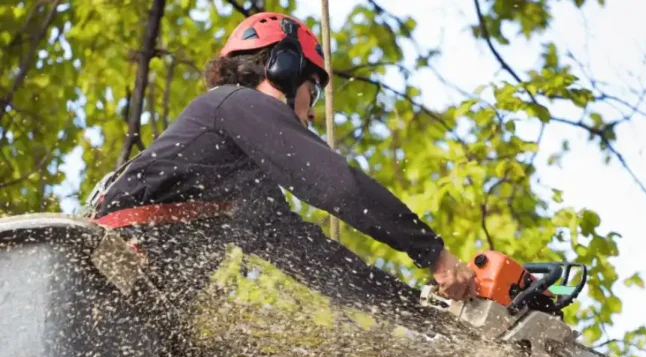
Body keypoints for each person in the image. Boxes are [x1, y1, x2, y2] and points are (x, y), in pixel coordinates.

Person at [89, 11, 477, 319]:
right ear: (283, 68)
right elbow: (337, 185)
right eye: (315, 89)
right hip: (103, 275)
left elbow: (320, 264)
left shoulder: (242, 188)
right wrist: (434, 253)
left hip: (124, 307)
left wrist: (426, 315)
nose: (311, 113)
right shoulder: (232, 103)